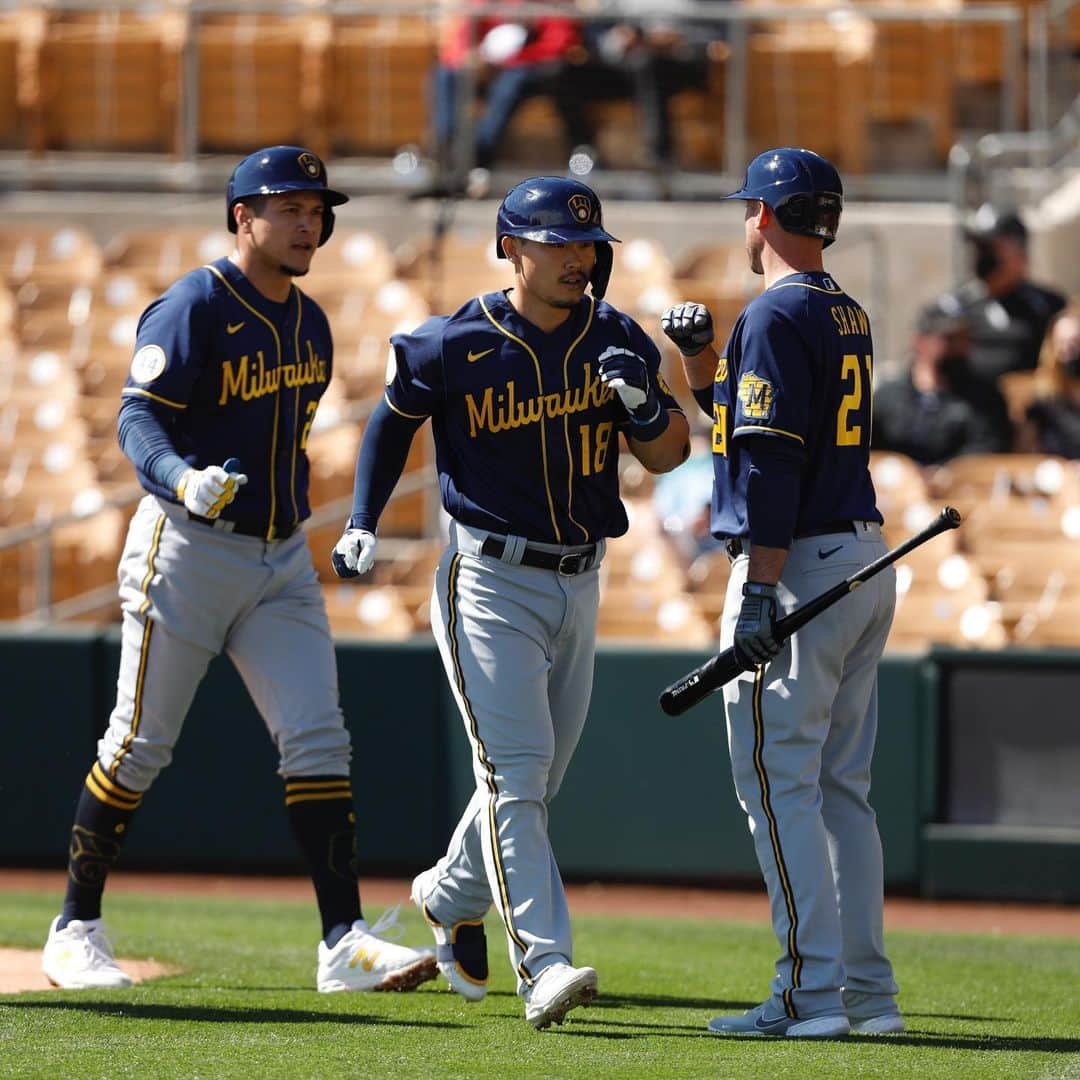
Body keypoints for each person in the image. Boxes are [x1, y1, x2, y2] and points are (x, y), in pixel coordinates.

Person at [41, 146, 436, 995]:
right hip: (186, 548)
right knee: (139, 744)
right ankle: (74, 927)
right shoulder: (191, 305)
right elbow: (138, 420)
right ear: (241, 217)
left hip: (279, 556)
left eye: (316, 208)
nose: (308, 222)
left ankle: (342, 942)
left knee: (319, 738)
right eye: (288, 206)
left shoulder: (312, 321)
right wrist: (182, 476)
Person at [331, 176, 690, 1028]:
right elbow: (390, 420)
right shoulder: (452, 342)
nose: (576, 256)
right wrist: (362, 520)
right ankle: (545, 963)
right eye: (556, 243)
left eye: (586, 244)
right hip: (489, 576)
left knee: (532, 779)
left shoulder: (616, 336)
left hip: (583, 573)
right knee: (519, 775)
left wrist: (642, 404)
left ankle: (448, 893)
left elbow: (673, 452)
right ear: (512, 248)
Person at [661, 147, 903, 1039]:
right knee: (842, 791)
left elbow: (768, 462)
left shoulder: (774, 312)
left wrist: (759, 591)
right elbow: (747, 425)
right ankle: (867, 998)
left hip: (796, 565)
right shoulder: (845, 308)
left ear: (763, 216)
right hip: (862, 558)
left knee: (781, 787)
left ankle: (809, 995)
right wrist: (700, 364)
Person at [431, 0, 593, 191]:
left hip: (534, 69)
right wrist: (469, 58)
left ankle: (478, 156)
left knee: (510, 82)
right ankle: (449, 153)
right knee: (446, 73)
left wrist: (508, 61)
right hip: (489, 67)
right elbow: (465, 35)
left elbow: (558, 43)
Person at [871, 294, 1014, 464]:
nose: (959, 346)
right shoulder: (887, 397)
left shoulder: (985, 399)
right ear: (920, 341)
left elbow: (987, 449)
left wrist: (941, 474)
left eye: (965, 338)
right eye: (949, 339)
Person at [955, 203, 1066, 381]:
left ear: (1021, 254)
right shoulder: (957, 307)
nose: (982, 256)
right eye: (979, 247)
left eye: (991, 247)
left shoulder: (1050, 307)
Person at [1017, 303, 1080, 458]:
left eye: (1076, 342)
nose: (1069, 350)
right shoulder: (1042, 395)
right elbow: (1027, 447)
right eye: (1062, 343)